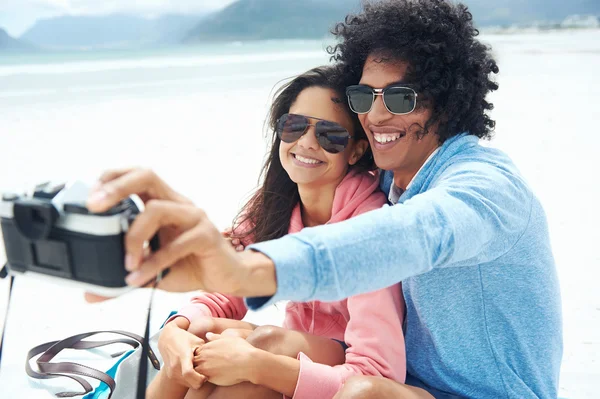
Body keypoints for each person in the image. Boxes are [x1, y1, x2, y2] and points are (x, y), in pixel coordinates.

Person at [86, 0, 563, 398]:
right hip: (410, 386)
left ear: (448, 99)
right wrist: (184, 311)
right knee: (225, 340)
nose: (376, 115)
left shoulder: (484, 186)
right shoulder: (393, 181)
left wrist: (251, 271)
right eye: (364, 97)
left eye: (400, 99)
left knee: (360, 393)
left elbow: (408, 237)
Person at [145, 65, 415, 399]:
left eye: (330, 135)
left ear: (356, 150)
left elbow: (376, 372)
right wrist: (175, 330)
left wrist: (256, 365)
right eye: (294, 126)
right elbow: (223, 291)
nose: (305, 142)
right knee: (199, 334)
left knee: (265, 343)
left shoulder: (369, 229)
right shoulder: (274, 204)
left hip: (346, 371)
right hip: (294, 353)